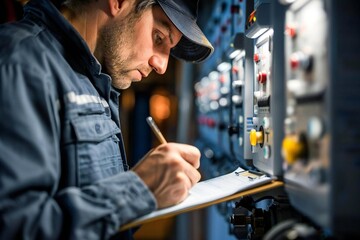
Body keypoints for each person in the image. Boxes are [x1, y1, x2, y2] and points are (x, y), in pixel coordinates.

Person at [0, 0, 213, 239]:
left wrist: (150, 188)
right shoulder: (18, 62)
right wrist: (140, 188)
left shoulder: (95, 80)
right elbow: (16, 227)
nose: (162, 65)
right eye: (159, 37)